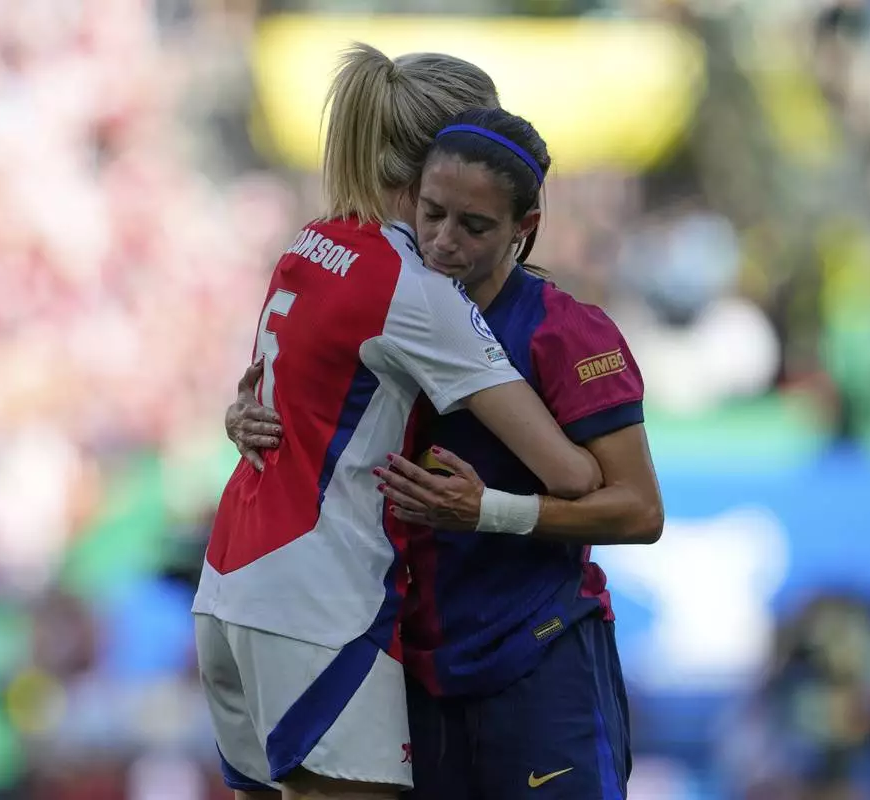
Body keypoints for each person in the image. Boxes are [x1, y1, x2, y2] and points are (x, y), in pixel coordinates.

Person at [192, 45, 603, 800]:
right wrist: (490, 504)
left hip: (229, 583)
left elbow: (291, 392)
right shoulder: (415, 291)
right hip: (319, 599)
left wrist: (238, 415)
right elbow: (575, 475)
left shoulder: (312, 239)